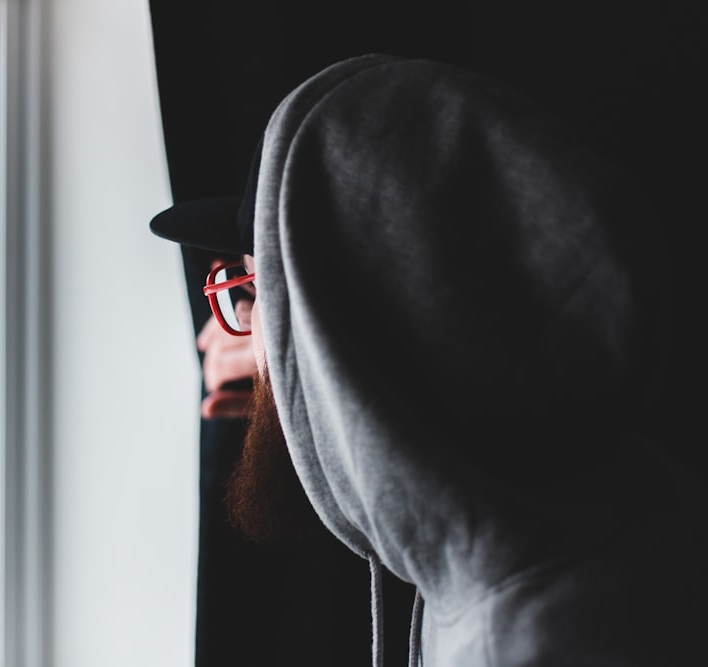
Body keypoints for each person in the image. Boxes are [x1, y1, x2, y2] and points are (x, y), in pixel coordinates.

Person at [151, 54, 708, 666]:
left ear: (344, 331)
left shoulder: (529, 639)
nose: (245, 339)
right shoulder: (627, 511)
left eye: (260, 294)